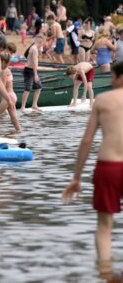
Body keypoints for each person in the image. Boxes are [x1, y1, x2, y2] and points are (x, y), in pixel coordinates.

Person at [62, 61, 123, 265]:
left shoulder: (103, 100)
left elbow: (87, 140)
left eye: (112, 77)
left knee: (104, 227)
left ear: (118, 77)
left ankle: (105, 272)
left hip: (110, 166)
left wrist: (76, 177)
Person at [21, 35, 45, 113]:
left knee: (38, 87)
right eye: (42, 43)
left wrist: (41, 51)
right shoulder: (34, 49)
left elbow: (38, 59)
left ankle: (34, 105)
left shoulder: (35, 48)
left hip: (32, 70)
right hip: (29, 70)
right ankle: (23, 107)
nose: (43, 45)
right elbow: (34, 62)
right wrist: (35, 74)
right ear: (40, 42)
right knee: (27, 89)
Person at [0, 53, 21, 132]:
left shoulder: (3, 71)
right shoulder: (8, 70)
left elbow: (2, 86)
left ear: (3, 62)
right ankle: (19, 132)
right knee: (14, 120)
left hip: (8, 97)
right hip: (12, 95)